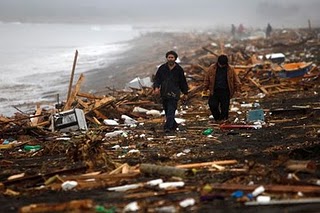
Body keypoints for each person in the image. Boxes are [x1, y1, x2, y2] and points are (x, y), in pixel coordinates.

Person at [153, 50, 189, 133]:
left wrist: (185, 93)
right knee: (166, 110)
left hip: (174, 93)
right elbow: (157, 79)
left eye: (172, 57)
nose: (170, 59)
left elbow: (183, 82)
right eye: (169, 57)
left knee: (171, 110)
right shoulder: (162, 68)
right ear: (166, 58)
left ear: (175, 59)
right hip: (164, 92)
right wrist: (156, 87)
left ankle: (167, 127)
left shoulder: (179, 69)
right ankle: (174, 124)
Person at [203, 54, 241, 123]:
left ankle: (223, 120)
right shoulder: (212, 68)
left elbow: (236, 80)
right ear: (218, 62)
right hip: (214, 90)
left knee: (225, 107)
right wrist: (205, 88)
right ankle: (218, 118)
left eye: (223, 65)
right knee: (212, 105)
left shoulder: (230, 69)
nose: (221, 66)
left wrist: (238, 90)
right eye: (220, 64)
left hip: (226, 91)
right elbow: (207, 78)